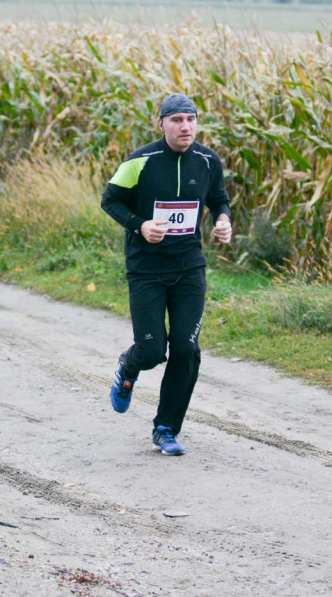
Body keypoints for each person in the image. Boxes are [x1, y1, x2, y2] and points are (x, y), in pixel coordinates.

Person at [100, 93, 232, 456]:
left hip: (189, 268)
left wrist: (223, 220)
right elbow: (109, 200)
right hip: (146, 269)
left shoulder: (208, 160)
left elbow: (219, 199)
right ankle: (129, 367)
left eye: (191, 119)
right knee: (152, 351)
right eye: (176, 120)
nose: (185, 126)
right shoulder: (140, 161)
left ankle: (166, 429)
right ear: (162, 124)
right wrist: (140, 225)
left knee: (186, 349)